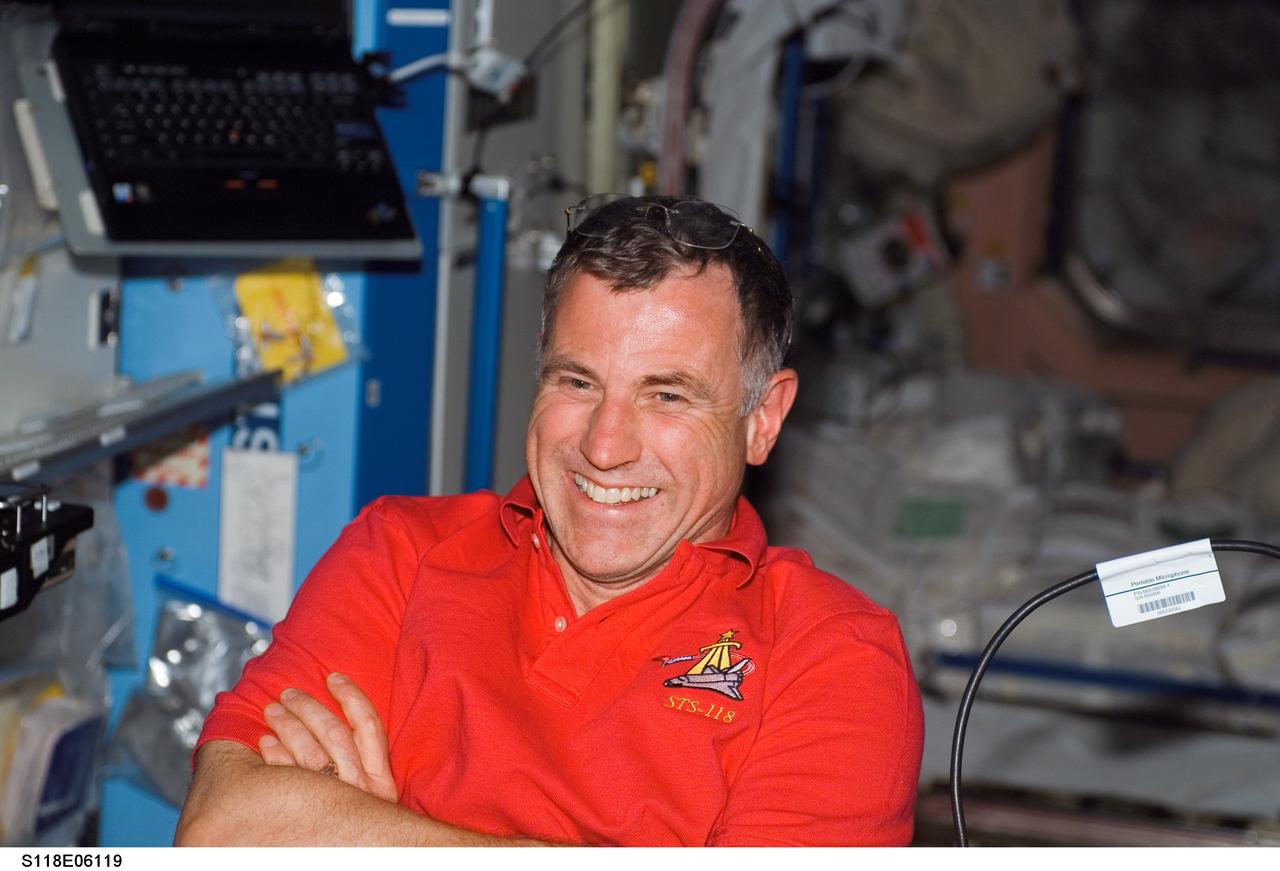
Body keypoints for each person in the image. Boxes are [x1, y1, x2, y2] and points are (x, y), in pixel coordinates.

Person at [175, 194, 924, 847]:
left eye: (667, 395)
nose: (604, 445)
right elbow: (222, 829)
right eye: (577, 380)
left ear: (762, 419)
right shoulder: (399, 552)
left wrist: (377, 829)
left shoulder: (834, 659)